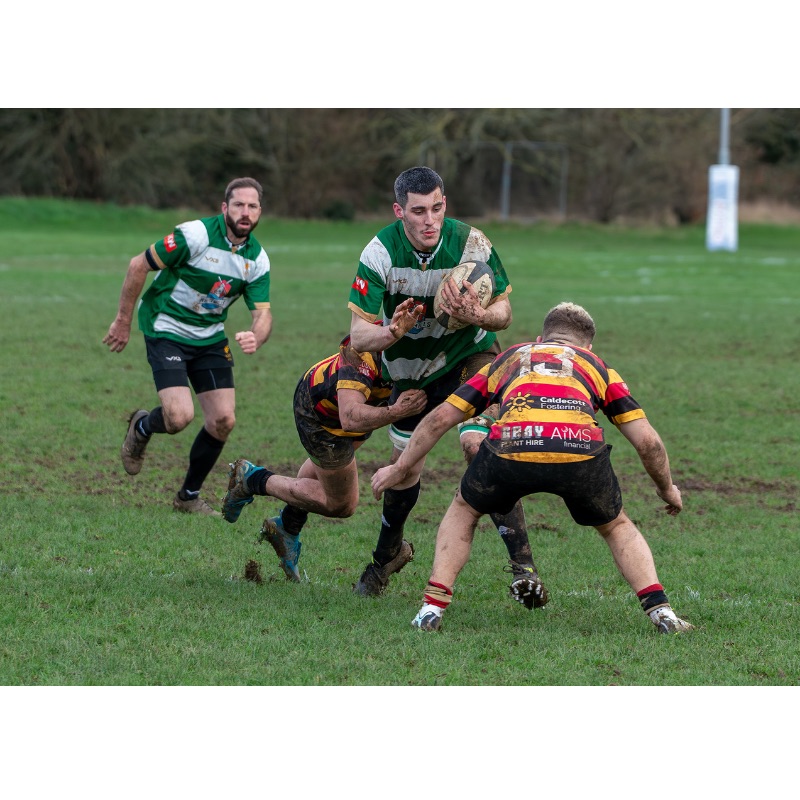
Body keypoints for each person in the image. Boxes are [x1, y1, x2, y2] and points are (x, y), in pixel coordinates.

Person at [371, 301, 694, 635]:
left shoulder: (510, 357)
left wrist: (400, 467)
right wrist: (667, 489)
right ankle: (663, 614)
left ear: (541, 339)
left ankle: (431, 609)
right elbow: (648, 443)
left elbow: (440, 418)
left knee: (464, 509)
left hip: (511, 448)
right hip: (579, 452)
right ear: (588, 347)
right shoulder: (597, 366)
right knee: (616, 527)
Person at [346, 165, 548, 606]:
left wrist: (479, 315)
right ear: (399, 211)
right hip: (410, 372)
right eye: (418, 211)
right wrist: (392, 332)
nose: (429, 220)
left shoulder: (471, 243)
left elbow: (505, 313)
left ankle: (524, 568)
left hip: (469, 356)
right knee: (405, 468)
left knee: (478, 445)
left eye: (436, 208)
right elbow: (358, 336)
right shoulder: (379, 253)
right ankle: (386, 557)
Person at [219, 300, 427, 581]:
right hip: (323, 411)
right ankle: (252, 479)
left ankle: (287, 527)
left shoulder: (426, 349)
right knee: (341, 504)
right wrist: (397, 412)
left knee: (326, 474)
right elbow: (350, 418)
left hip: (363, 407)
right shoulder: (363, 350)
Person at [103, 177, 273, 515]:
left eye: (252, 206)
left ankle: (188, 497)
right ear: (224, 207)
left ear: (259, 212)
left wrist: (257, 334)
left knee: (223, 420)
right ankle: (141, 427)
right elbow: (138, 264)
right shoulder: (195, 236)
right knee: (179, 417)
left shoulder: (257, 260)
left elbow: (263, 314)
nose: (245, 212)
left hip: (209, 336)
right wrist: (122, 320)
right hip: (165, 326)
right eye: (238, 204)